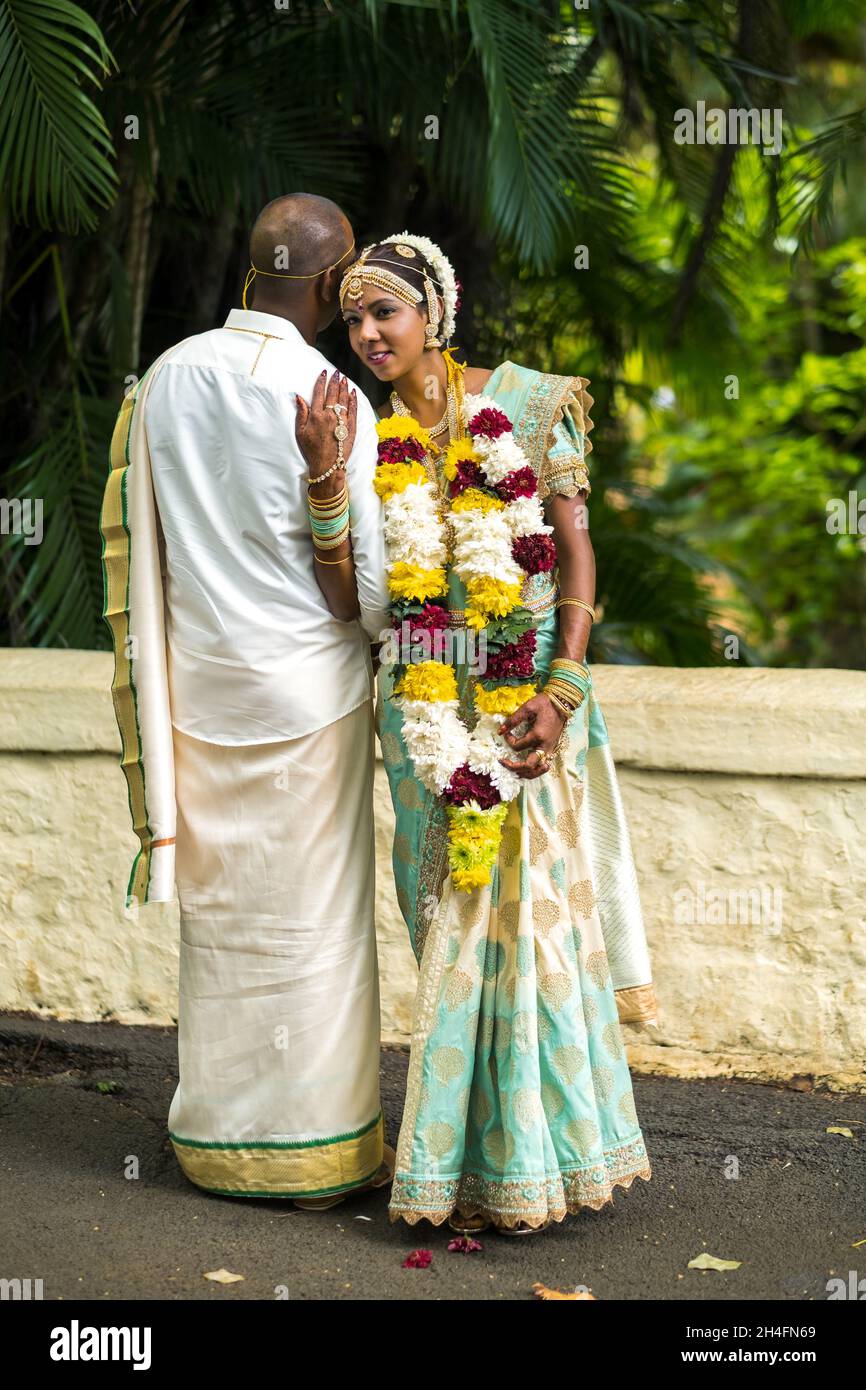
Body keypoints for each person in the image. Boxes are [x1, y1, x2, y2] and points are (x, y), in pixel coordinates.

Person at [335, 233, 658, 1235]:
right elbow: (363, 593)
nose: (366, 333)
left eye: (383, 311)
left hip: (523, 702)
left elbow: (571, 553)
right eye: (350, 318)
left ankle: (530, 1155)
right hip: (418, 705)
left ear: (436, 312)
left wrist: (560, 688)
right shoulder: (358, 435)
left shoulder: (527, 404)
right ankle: (457, 1162)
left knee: (525, 932)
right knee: (436, 919)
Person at [99, 193, 395, 1208]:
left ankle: (219, 1141)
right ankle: (316, 1151)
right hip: (308, 697)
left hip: (201, 694)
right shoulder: (331, 392)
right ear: (327, 286)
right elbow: (363, 589)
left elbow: (149, 549)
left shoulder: (164, 377)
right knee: (313, 927)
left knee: (224, 929)